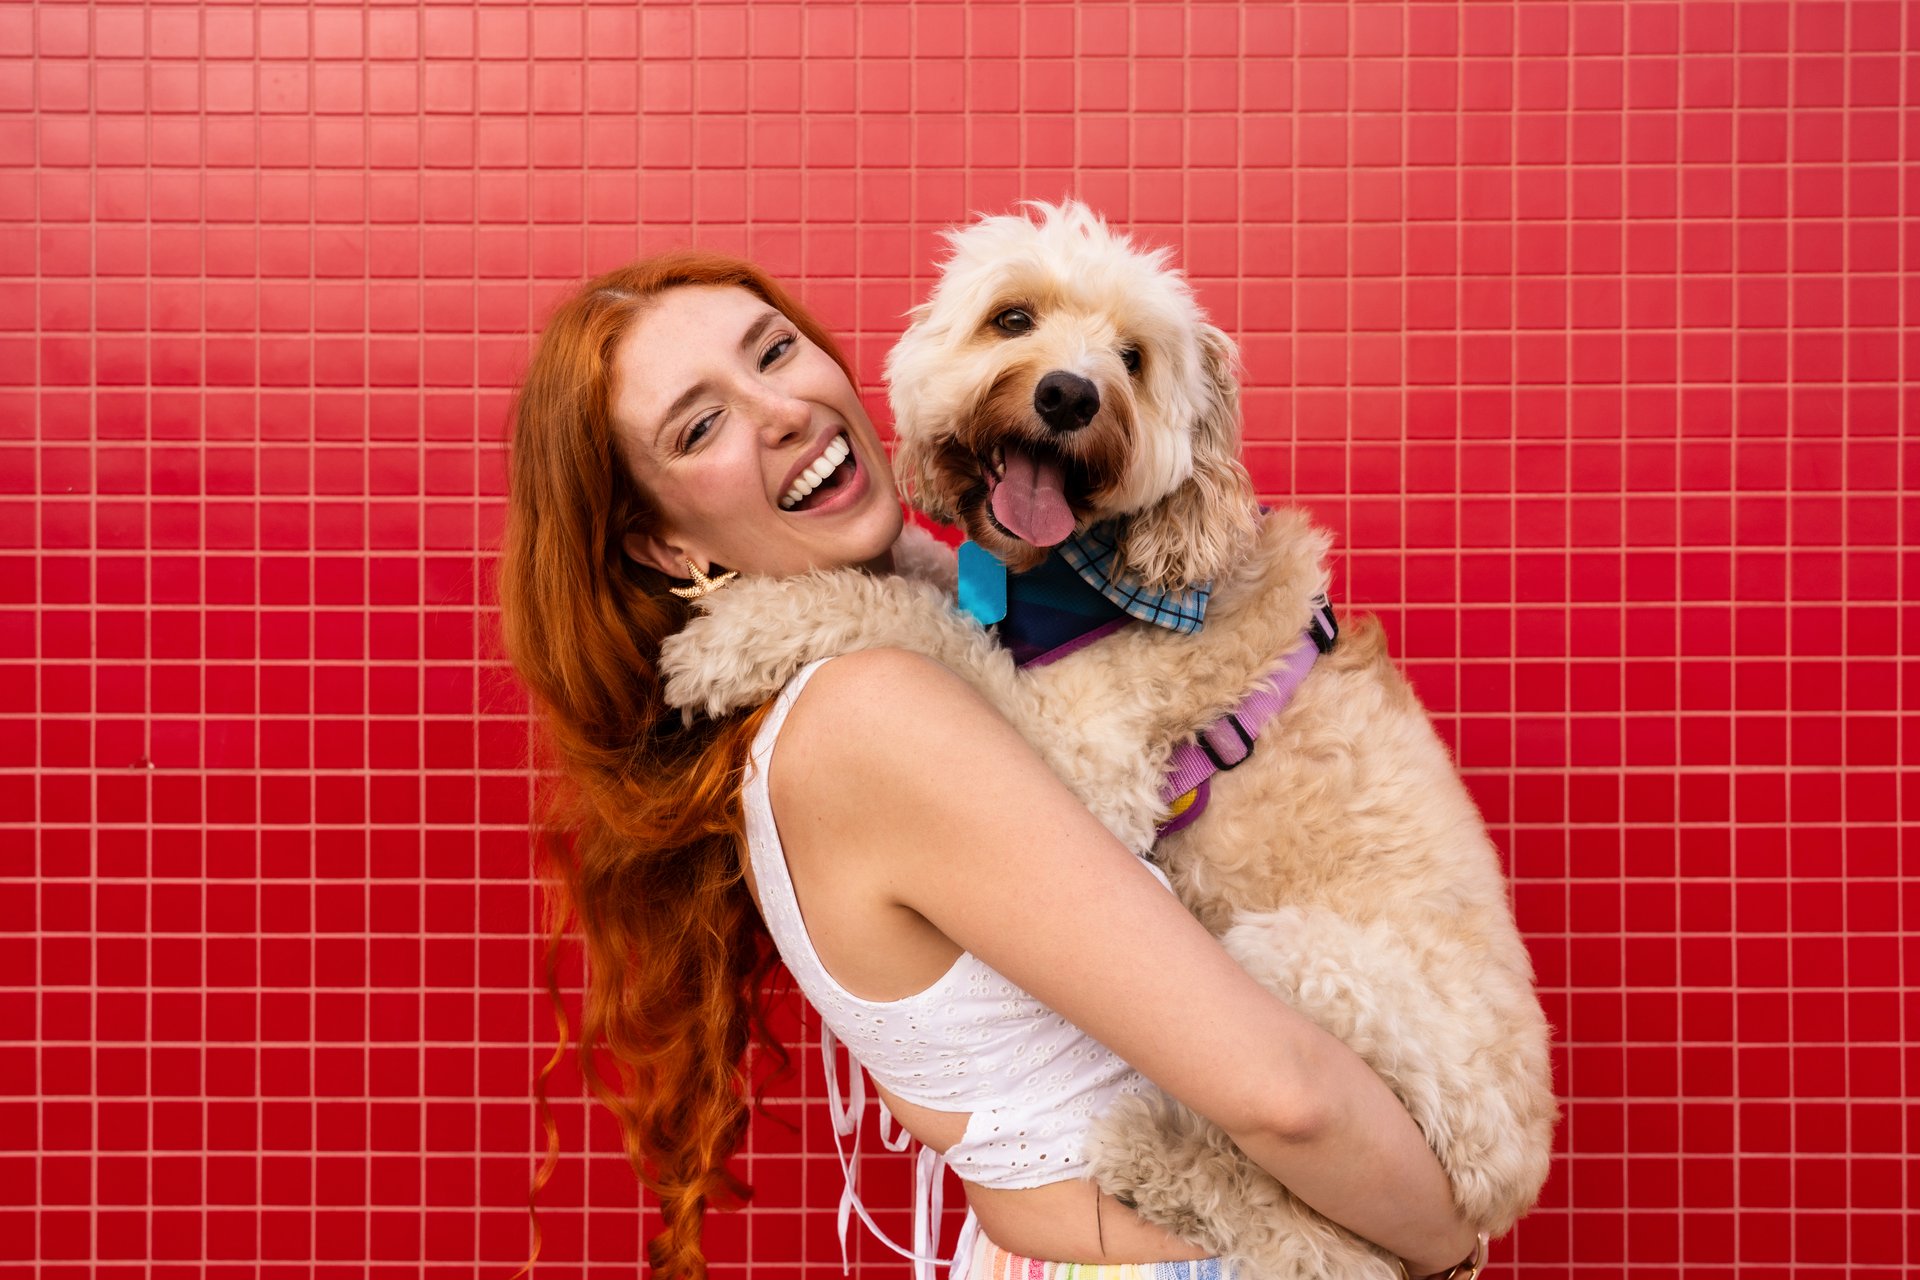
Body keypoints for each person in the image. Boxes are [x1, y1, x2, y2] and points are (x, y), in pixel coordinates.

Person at [498, 251, 1487, 1280]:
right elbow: (1285, 1095)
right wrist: (1446, 1250)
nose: (781, 408)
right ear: (661, 545)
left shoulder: (841, 691)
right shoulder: (871, 707)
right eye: (700, 426)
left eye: (775, 351)